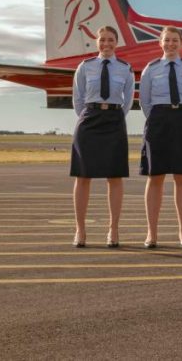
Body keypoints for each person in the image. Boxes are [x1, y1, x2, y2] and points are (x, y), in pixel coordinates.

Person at [138, 26, 182, 248]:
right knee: (155, 177)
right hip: (158, 120)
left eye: (175, 41)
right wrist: (159, 117)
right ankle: (151, 233)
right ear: (160, 43)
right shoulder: (151, 69)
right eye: (167, 40)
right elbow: (144, 101)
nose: (171, 44)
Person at [70, 25, 134, 248]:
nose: (106, 44)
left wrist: (113, 115)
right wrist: (90, 114)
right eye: (102, 40)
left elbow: (127, 101)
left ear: (117, 42)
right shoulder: (85, 67)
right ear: (96, 42)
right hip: (89, 120)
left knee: (114, 177)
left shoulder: (125, 68)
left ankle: (113, 229)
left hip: (114, 120)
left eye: (110, 40)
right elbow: (77, 98)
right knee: (83, 176)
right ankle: (80, 229)